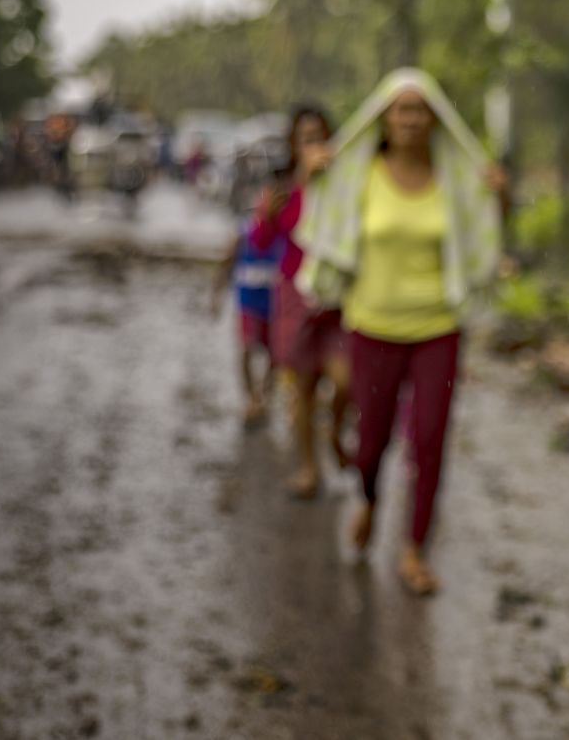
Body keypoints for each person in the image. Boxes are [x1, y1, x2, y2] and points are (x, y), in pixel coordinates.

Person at [295, 69, 502, 596]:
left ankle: (414, 549)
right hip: (373, 326)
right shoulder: (359, 173)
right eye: (400, 110)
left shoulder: (455, 179)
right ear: (385, 118)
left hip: (438, 328)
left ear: (434, 119)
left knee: (429, 440)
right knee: (371, 443)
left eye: (419, 110)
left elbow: (481, 228)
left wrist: (494, 193)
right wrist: (309, 174)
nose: (410, 119)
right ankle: (366, 499)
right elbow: (321, 208)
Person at [249, 106, 353, 499]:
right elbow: (263, 241)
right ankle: (309, 467)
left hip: (337, 300)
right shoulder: (281, 188)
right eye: (305, 137)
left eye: (320, 136)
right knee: (304, 388)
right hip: (296, 296)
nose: (314, 144)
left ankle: (337, 434)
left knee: (346, 381)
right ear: (294, 144)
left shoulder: (344, 185)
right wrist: (272, 213)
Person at [212, 202, 282, 427]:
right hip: (248, 303)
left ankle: (265, 395)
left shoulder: (284, 233)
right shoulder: (244, 231)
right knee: (246, 348)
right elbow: (226, 264)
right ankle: (251, 397)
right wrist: (217, 295)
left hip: (274, 305)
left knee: (275, 355)